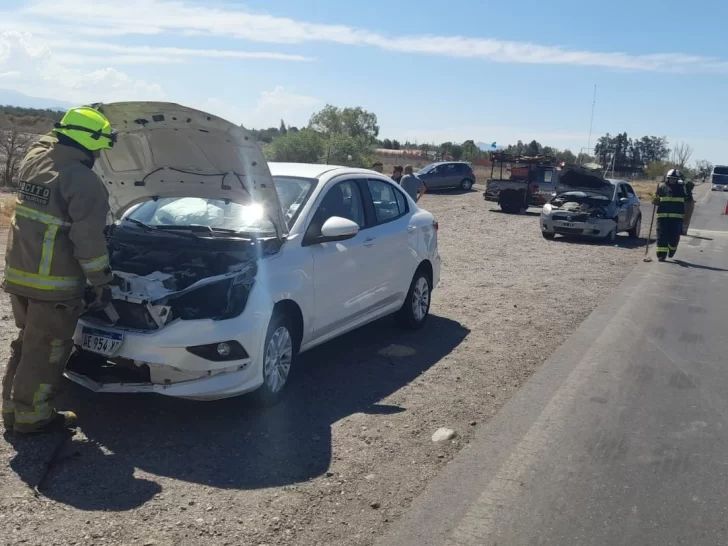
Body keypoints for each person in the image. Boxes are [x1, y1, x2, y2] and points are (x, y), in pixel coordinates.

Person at [2, 106, 116, 434]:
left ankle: (12, 409)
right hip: (54, 285)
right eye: (99, 146)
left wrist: (76, 119)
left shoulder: (35, 159)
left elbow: (47, 138)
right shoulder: (84, 182)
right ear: (90, 144)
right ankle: (33, 417)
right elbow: (89, 241)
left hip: (20, 275)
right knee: (47, 350)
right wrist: (102, 280)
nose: (99, 153)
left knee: (27, 344)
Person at [652, 168, 686, 262]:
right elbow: (655, 198)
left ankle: (672, 249)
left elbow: (690, 185)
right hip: (662, 218)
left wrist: (684, 178)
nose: (672, 180)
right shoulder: (662, 188)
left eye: (674, 178)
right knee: (661, 236)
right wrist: (654, 199)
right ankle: (661, 255)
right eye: (670, 178)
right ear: (667, 178)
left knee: (674, 237)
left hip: (676, 219)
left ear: (678, 179)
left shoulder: (682, 188)